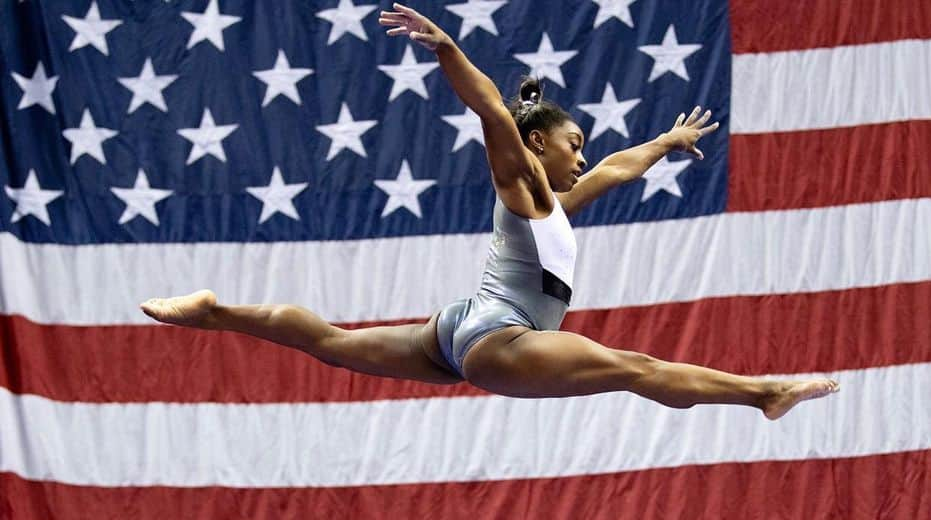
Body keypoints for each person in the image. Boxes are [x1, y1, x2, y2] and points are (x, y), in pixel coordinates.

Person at [141, 2, 838, 419]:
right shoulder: (526, 184)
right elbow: (491, 109)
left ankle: (216, 313)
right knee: (633, 368)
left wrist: (665, 139)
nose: (580, 156)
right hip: (498, 338)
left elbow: (615, 170)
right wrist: (447, 48)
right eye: (573, 143)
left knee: (331, 341)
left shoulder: (553, 204)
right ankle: (762, 393)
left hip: (457, 329)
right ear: (540, 143)